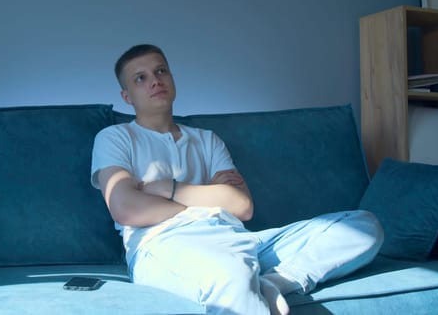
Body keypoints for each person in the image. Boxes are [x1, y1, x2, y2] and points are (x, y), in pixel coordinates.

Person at [90, 44, 384, 315]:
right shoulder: (115, 138)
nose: (155, 80)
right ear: (127, 97)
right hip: (164, 243)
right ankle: (250, 280)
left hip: (236, 237)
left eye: (161, 71)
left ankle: (276, 282)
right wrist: (211, 197)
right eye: (140, 78)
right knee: (232, 273)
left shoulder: (206, 140)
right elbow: (127, 208)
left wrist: (169, 188)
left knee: (363, 227)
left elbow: (242, 207)